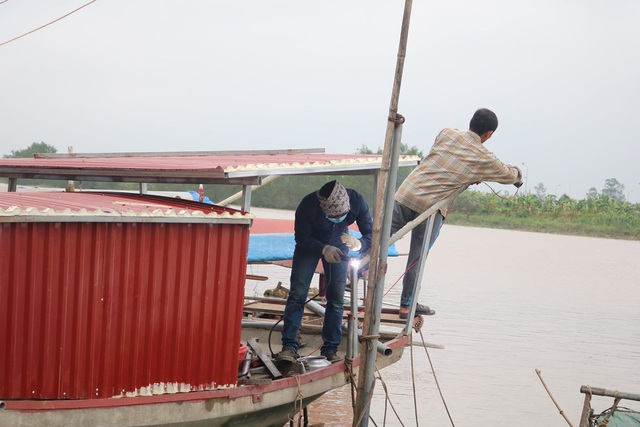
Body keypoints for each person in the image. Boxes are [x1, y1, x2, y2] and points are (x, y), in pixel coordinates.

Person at [392, 108, 523, 319]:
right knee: (417, 258)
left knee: (375, 242)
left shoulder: (447, 133)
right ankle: (407, 306)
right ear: (489, 134)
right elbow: (508, 175)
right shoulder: (484, 158)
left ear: (470, 122)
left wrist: (470, 173)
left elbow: (442, 159)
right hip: (430, 209)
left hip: (404, 195)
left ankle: (352, 277)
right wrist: (518, 174)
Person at [277, 180, 373, 364]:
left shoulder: (357, 202)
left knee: (336, 299)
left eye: (341, 216)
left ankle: (330, 349)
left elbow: (370, 232)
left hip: (340, 243)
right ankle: (289, 346)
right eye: (333, 216)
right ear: (323, 208)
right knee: (297, 294)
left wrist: (360, 243)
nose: (337, 219)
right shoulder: (307, 206)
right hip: (310, 245)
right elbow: (302, 238)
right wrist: (323, 249)